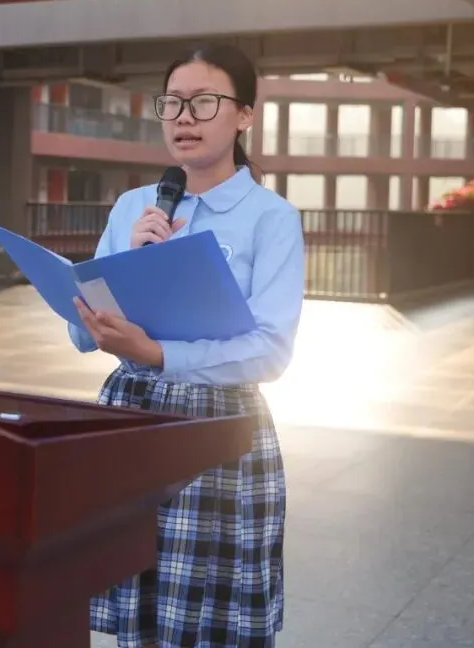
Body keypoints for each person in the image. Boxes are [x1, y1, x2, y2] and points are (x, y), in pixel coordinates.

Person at [69, 44, 305, 648]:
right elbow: (81, 330)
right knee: (139, 605)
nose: (183, 117)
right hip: (129, 415)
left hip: (219, 427)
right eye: (172, 103)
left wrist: (161, 355)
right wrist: (127, 265)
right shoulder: (133, 207)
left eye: (203, 102)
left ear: (244, 114)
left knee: (208, 617)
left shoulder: (271, 218)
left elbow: (271, 350)